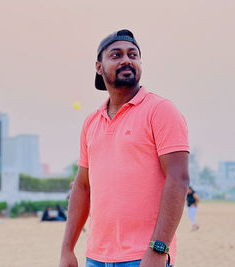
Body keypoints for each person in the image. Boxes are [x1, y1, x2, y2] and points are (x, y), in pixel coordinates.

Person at [59, 29, 189, 267]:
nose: (127, 60)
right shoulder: (91, 121)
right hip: (96, 258)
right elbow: (82, 186)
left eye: (133, 54)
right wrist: (67, 249)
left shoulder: (160, 110)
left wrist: (158, 250)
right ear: (99, 67)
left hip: (143, 256)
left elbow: (178, 179)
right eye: (116, 55)